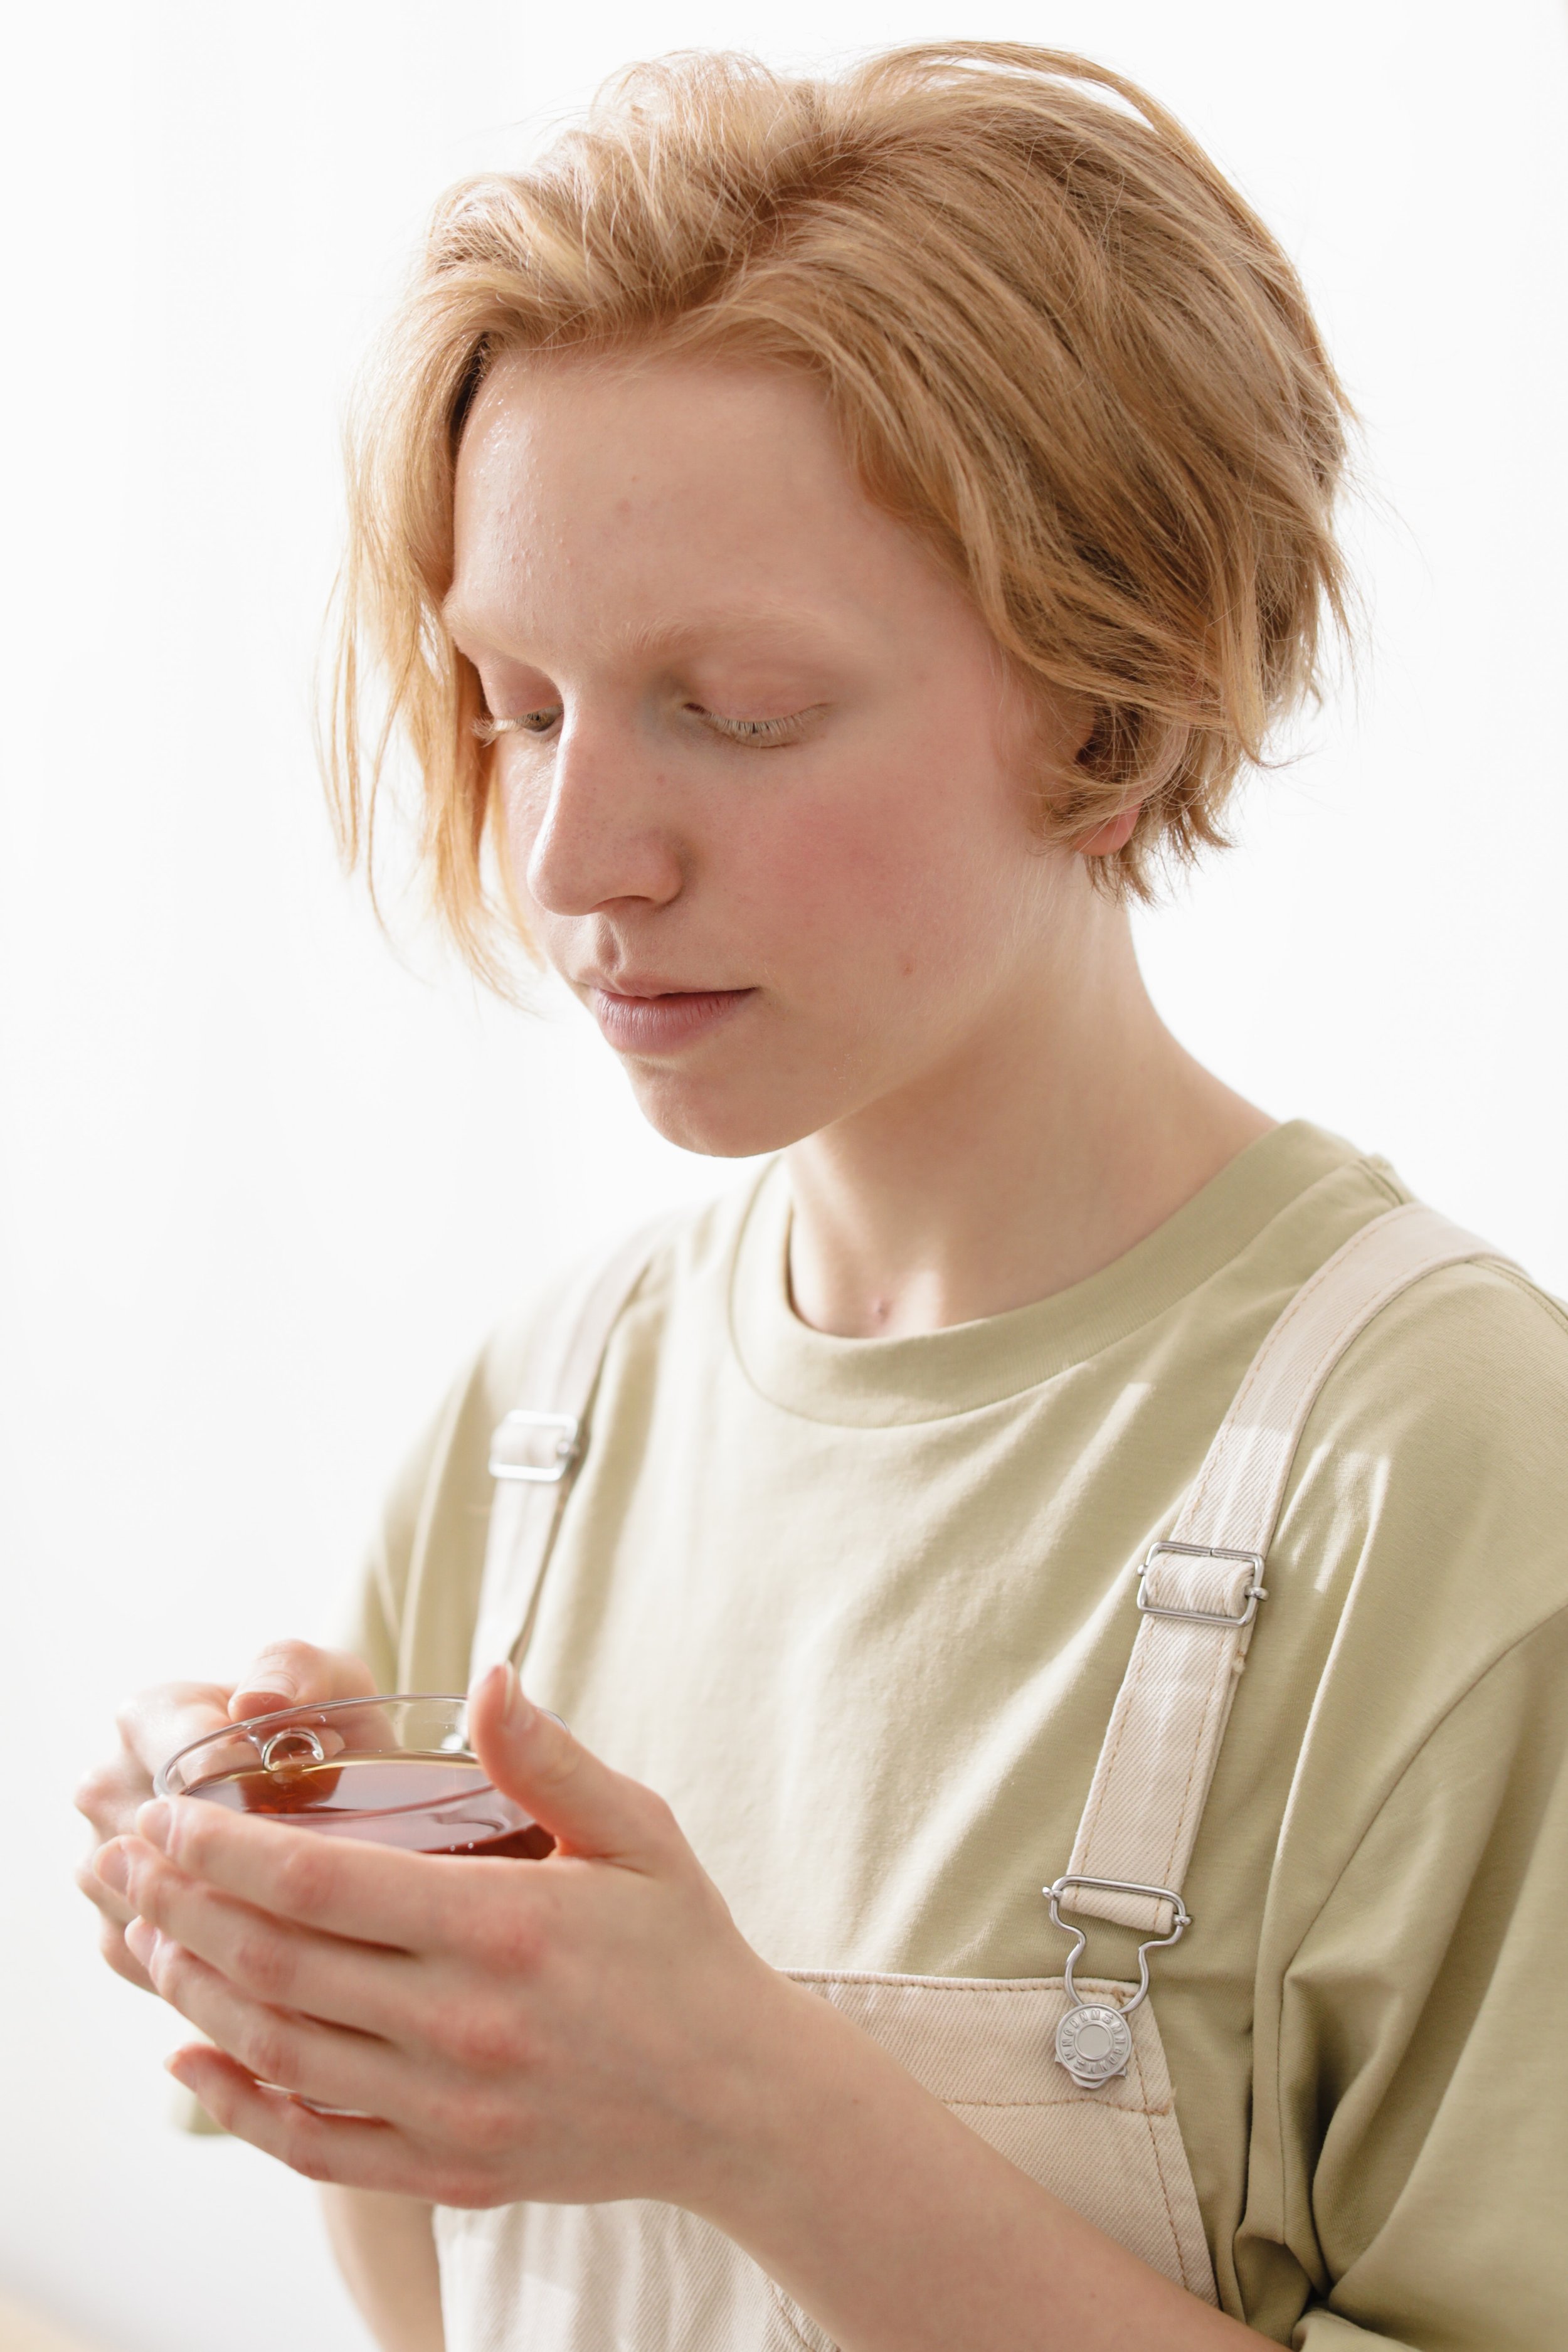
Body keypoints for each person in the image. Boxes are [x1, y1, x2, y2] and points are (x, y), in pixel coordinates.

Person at [75, 41, 1567, 2352]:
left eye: (740, 710)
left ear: (1121, 712)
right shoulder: (536, 1426)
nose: (578, 865)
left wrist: (743, 2109)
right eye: (523, 703)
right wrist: (310, 1978)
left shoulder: (1449, 1481)